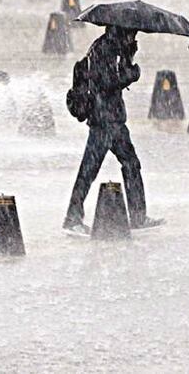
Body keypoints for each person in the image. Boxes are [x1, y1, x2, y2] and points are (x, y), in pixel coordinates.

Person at [63, 25, 163, 234]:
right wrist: (131, 74)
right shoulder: (104, 49)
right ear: (122, 31)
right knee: (89, 170)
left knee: (131, 163)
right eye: (132, 32)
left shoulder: (115, 47)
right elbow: (106, 82)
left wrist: (127, 56)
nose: (135, 36)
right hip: (103, 121)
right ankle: (72, 218)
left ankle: (137, 216)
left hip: (114, 120)